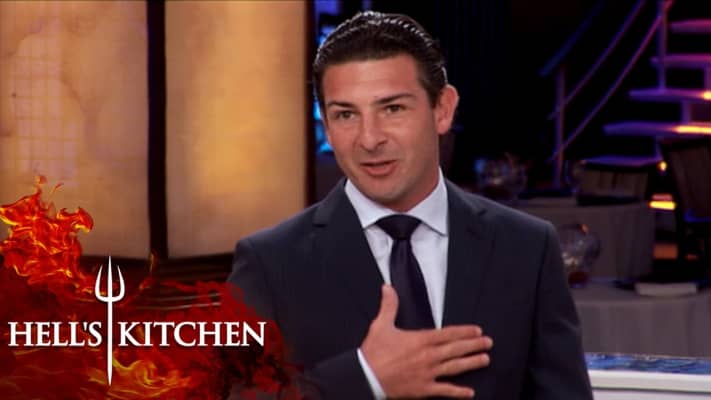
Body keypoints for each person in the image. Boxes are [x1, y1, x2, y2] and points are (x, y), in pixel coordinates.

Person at [229, 10, 592, 400]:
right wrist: (364, 379)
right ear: (328, 129)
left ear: (443, 109)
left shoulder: (526, 247)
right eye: (346, 114)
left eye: (392, 109)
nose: (370, 139)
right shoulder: (271, 263)